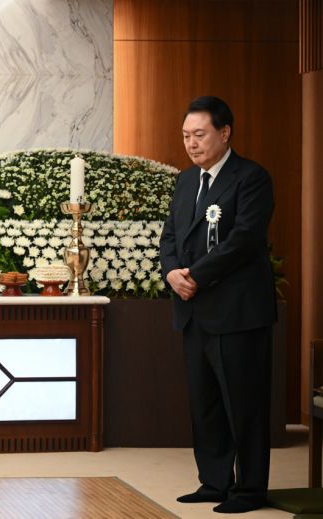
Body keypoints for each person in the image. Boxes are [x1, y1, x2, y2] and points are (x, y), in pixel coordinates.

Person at [160, 96, 276, 514]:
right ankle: (213, 481)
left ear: (225, 133)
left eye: (200, 134)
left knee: (245, 404)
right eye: (186, 136)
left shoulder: (251, 178)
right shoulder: (186, 181)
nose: (191, 144)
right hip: (194, 311)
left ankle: (250, 489)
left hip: (237, 312)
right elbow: (170, 235)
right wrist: (172, 273)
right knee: (205, 403)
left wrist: (195, 275)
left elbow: (244, 239)